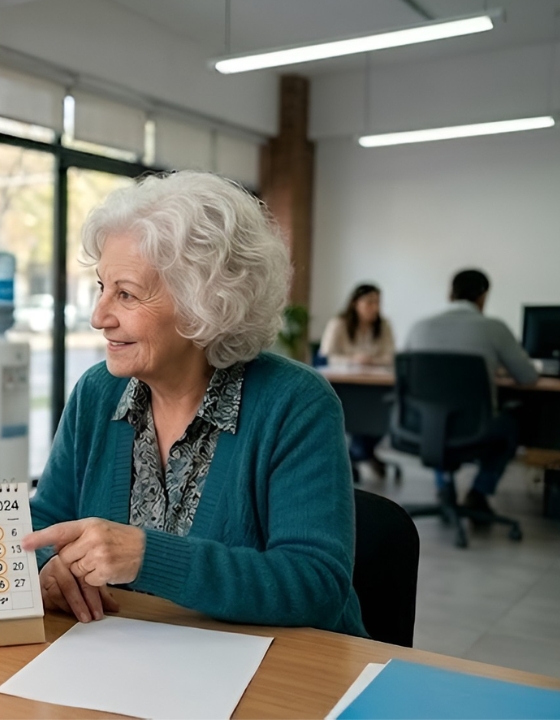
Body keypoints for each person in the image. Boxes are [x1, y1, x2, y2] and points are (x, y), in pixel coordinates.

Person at [23, 171, 366, 637]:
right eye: (102, 288)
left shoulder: (296, 404)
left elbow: (317, 585)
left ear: (204, 301)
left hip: (274, 674)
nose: (99, 316)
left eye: (125, 293)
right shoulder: (96, 392)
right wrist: (49, 568)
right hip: (127, 657)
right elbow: (42, 523)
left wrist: (147, 557)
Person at [405, 268, 538, 515]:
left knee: (438, 413)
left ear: (450, 293)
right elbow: (528, 377)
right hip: (475, 428)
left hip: (421, 426)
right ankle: (479, 492)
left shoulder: (419, 327)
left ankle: (444, 486)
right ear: (483, 296)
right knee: (511, 423)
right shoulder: (494, 328)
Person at [320, 283, 395, 478]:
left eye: (377, 302)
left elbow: (390, 356)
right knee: (355, 413)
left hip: (377, 383)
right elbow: (328, 355)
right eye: (369, 302)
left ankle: (358, 453)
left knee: (383, 415)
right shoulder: (339, 323)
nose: (375, 307)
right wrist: (354, 359)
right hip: (345, 383)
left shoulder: (383, 325)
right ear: (355, 303)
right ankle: (361, 453)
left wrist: (371, 361)